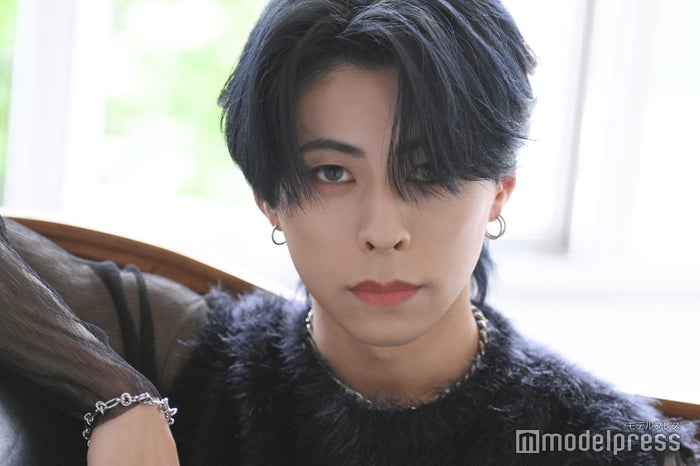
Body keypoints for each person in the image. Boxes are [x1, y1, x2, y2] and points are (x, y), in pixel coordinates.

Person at [0, 0, 697, 464]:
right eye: (333, 173)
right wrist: (117, 396)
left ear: (498, 194)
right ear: (270, 200)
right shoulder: (188, 353)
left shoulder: (608, 447)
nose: (382, 231)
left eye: (426, 171)